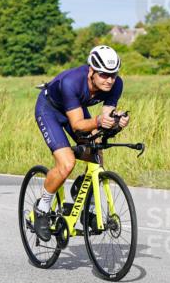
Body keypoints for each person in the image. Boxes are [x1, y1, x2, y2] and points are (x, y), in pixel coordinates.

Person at [32, 45, 130, 240]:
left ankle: (84, 198)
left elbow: (105, 118)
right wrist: (99, 122)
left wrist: (117, 122)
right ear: (91, 71)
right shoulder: (71, 82)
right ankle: (41, 209)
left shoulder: (116, 84)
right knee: (67, 163)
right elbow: (77, 125)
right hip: (49, 110)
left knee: (96, 151)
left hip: (74, 109)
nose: (109, 80)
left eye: (113, 74)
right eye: (103, 75)